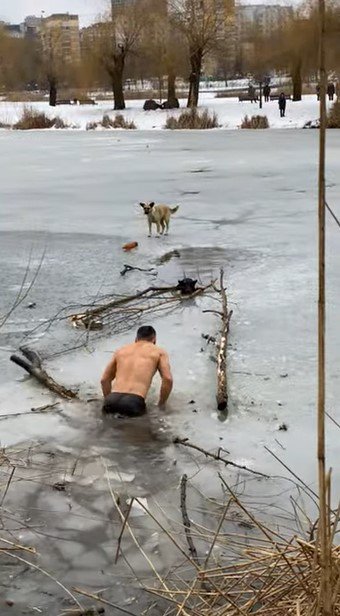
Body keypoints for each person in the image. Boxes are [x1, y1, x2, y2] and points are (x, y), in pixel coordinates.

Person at [101, 326, 173, 417]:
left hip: (111, 400)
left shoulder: (121, 351)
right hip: (133, 402)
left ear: (136, 339)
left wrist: (108, 400)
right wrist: (161, 405)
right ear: (154, 340)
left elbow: (104, 380)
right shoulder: (159, 352)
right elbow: (168, 379)